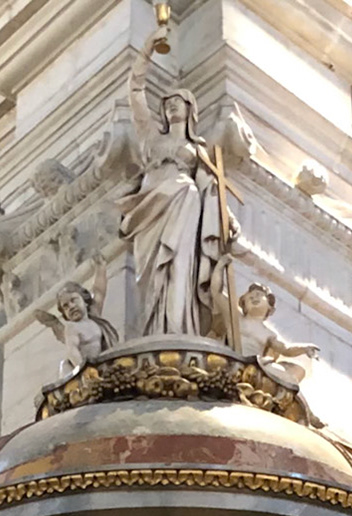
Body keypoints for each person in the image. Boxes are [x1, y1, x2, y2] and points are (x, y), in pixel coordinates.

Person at [121, 25, 234, 337]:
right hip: (150, 211)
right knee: (150, 273)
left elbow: (211, 187)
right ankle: (153, 328)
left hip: (184, 205)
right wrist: (145, 51)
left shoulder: (197, 149)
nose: (170, 106)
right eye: (167, 103)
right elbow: (135, 92)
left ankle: (178, 328)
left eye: (178, 102)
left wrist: (227, 219)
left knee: (180, 267)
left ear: (190, 109)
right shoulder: (150, 136)